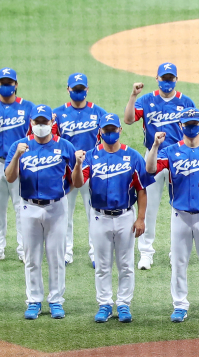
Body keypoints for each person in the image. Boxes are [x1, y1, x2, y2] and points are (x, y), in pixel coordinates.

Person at [78, 114, 151, 323]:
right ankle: (104, 304)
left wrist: (141, 218)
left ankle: (124, 304)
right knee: (102, 264)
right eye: (106, 130)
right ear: (99, 132)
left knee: (126, 264)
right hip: (99, 217)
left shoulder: (133, 156)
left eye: (113, 129)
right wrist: (77, 164)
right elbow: (77, 183)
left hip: (125, 217)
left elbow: (142, 190)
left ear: (120, 130)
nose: (110, 134)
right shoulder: (91, 156)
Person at [6, 105, 78, 320]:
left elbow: (75, 179)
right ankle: (34, 300)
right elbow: (9, 178)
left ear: (52, 122)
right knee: (32, 257)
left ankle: (56, 300)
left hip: (56, 206)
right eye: (37, 122)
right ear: (31, 123)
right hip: (28, 206)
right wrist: (17, 157)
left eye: (44, 122)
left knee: (56, 256)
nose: (40, 126)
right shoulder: (19, 146)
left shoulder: (65, 146)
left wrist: (62, 193)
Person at [124, 62, 197, 270]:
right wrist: (133, 96)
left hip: (178, 158)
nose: (166, 82)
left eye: (170, 78)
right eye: (163, 78)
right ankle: (146, 253)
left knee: (181, 206)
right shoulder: (146, 100)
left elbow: (194, 129)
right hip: (153, 157)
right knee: (150, 207)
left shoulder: (185, 102)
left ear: (176, 79)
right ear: (157, 79)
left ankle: (177, 252)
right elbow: (128, 120)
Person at [147, 109, 199, 322]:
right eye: (187, 124)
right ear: (180, 125)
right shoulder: (170, 151)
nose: (191, 127)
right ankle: (179, 305)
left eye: (195, 123)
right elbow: (150, 169)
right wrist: (155, 145)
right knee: (178, 262)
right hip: (180, 215)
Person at [0, 67, 34, 263]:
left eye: (9, 83)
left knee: (22, 208)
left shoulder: (28, 107)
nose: (6, 86)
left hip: (19, 164)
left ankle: (23, 248)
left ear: (16, 85)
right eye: (2, 83)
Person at [54, 72, 109, 267]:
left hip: (91, 170)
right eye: (75, 88)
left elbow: (107, 143)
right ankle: (66, 251)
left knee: (92, 212)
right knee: (64, 213)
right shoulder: (58, 113)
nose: (78, 92)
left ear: (87, 89)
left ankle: (95, 251)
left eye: (81, 88)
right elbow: (53, 142)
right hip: (66, 170)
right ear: (68, 89)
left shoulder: (98, 113)